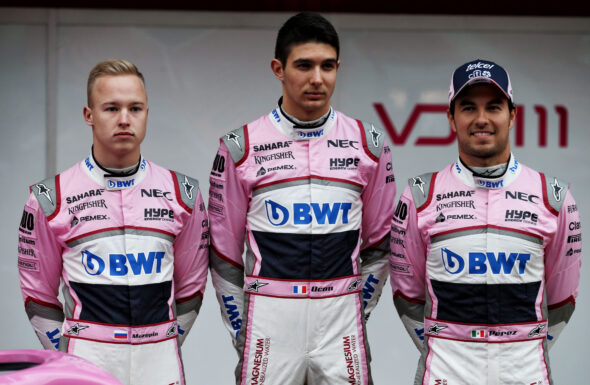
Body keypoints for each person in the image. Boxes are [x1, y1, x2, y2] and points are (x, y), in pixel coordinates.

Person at [208, 12, 395, 385]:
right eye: (304, 65)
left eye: (328, 66)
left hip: (341, 323)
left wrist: (357, 310)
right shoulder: (240, 147)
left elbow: (381, 244)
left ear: (339, 67)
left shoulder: (369, 145)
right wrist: (245, 329)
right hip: (269, 325)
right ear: (278, 68)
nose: (317, 78)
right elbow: (223, 255)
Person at [389, 58, 582, 384]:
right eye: (468, 108)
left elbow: (563, 299)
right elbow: (406, 295)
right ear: (451, 118)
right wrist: (448, 346)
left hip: (524, 373)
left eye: (493, 107)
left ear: (512, 116)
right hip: (447, 373)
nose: (481, 119)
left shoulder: (555, 197)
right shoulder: (420, 195)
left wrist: (521, 347)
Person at [17, 59, 209, 385]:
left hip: (160, 362)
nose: (124, 119)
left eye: (135, 108)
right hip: (87, 360)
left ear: (147, 112)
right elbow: (38, 296)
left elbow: (192, 287)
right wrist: (67, 359)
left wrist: (162, 344)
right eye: (111, 108)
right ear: (88, 115)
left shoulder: (183, 193)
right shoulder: (50, 197)